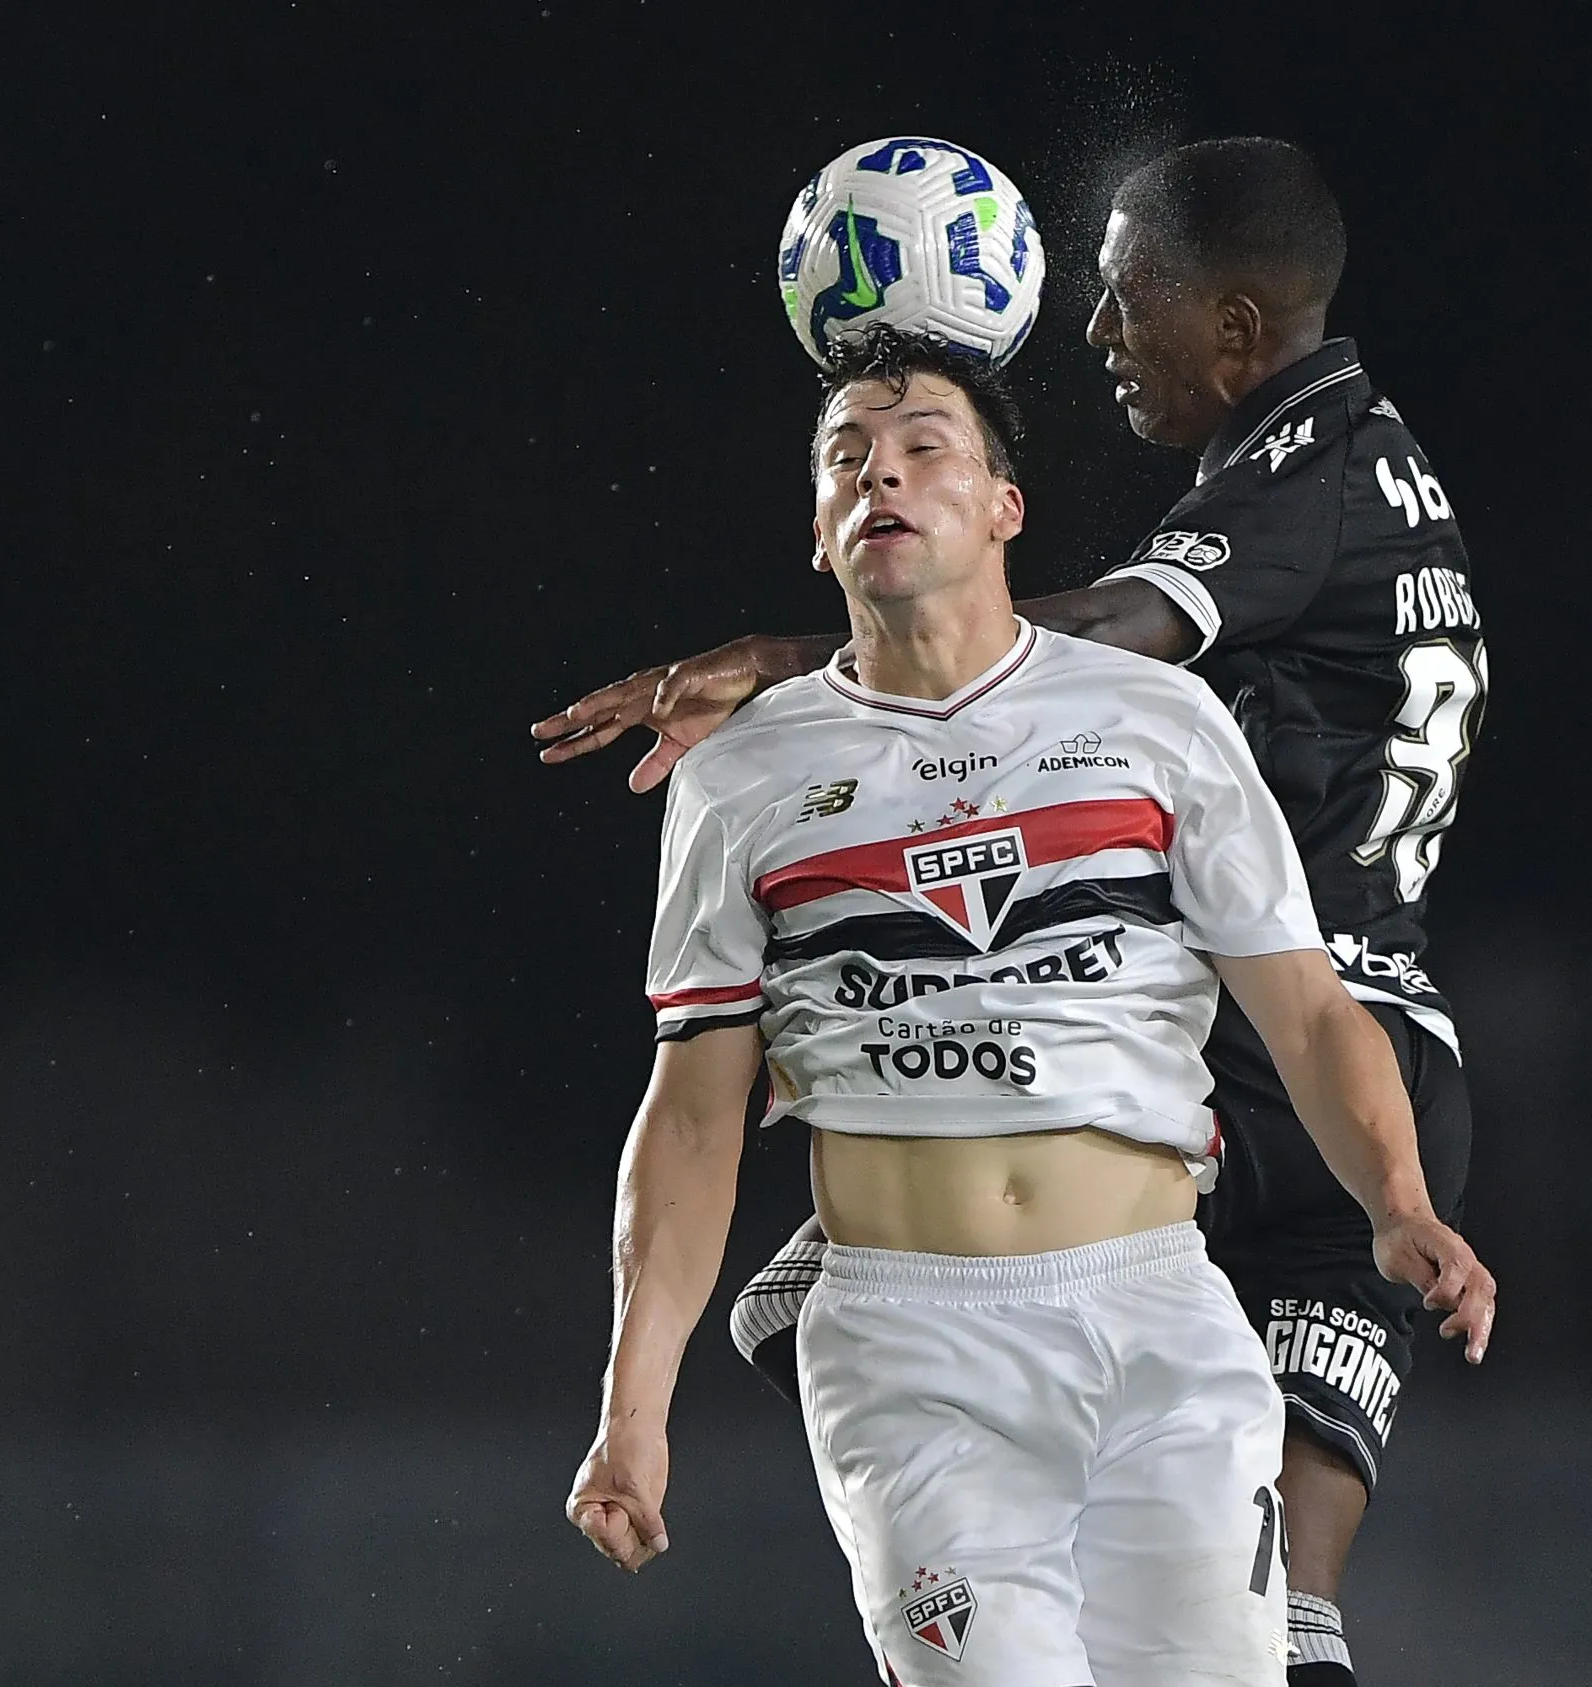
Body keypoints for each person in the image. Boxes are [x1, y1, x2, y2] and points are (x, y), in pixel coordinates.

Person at [536, 137, 1486, 1686]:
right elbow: (691, 1108)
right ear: (817, 514)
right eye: (848, 455)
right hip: (934, 1336)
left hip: (1255, 1133)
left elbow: (1296, 988)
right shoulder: (743, 785)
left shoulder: (1162, 692)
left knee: (1270, 1629)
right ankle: (867, 1218)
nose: (1104, 334)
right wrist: (633, 1404)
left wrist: (1401, 1201)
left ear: (1006, 502)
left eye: (924, 445)